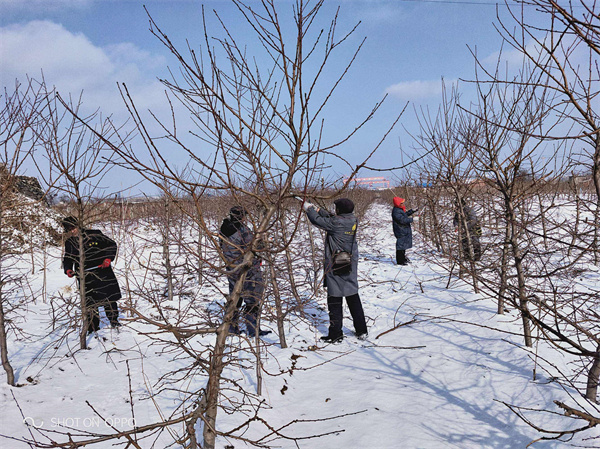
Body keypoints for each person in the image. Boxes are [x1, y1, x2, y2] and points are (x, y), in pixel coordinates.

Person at [302, 198, 368, 343]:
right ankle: (361, 330)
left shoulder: (336, 223)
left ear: (340, 210)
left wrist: (309, 209)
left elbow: (317, 221)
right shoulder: (353, 219)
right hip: (349, 263)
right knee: (352, 296)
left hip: (336, 264)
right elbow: (334, 219)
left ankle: (335, 333)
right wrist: (322, 211)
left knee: (334, 298)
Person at [62, 216, 122, 334]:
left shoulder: (94, 234)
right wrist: (68, 269)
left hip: (102, 272)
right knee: (89, 302)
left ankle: (114, 322)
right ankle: (92, 328)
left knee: (108, 298)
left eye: (74, 227)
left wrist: (108, 258)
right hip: (84, 276)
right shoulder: (70, 242)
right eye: (70, 229)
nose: (73, 231)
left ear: (78, 225)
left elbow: (111, 245)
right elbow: (68, 258)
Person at [219, 206, 271, 337]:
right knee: (252, 298)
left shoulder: (223, 229)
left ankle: (231, 327)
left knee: (235, 297)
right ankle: (253, 330)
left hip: (232, 268)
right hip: (247, 269)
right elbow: (254, 247)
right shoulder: (243, 230)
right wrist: (264, 242)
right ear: (241, 217)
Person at [392, 197, 417, 266]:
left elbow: (404, 215)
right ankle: (400, 261)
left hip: (403, 230)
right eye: (401, 203)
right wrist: (412, 219)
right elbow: (402, 220)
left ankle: (403, 258)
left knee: (403, 246)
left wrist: (412, 211)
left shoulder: (399, 209)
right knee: (400, 246)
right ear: (397, 204)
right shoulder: (396, 211)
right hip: (400, 231)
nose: (403, 204)